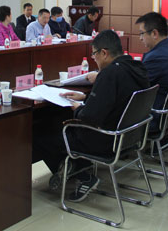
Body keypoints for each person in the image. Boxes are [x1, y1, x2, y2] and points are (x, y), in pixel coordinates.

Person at [34, 30, 149, 202]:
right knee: (57, 125)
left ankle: (83, 176)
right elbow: (115, 99)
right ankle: (76, 167)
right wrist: (85, 98)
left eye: (94, 54)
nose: (94, 58)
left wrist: (77, 108)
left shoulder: (109, 74)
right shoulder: (137, 68)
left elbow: (88, 117)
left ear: (104, 53)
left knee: (41, 133)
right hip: (130, 136)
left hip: (105, 140)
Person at [135, 12, 168, 109]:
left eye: (142, 33)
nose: (140, 38)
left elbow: (137, 86)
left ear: (154, 33)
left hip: (155, 111)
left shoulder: (156, 57)